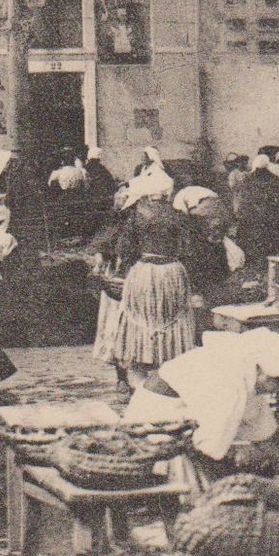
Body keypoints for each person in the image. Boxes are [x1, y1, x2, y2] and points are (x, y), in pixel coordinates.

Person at [121, 327, 279, 485]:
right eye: (274, 383)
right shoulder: (230, 382)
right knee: (211, 474)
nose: (273, 391)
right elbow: (210, 445)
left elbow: (258, 423)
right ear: (261, 371)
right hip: (157, 418)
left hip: (181, 411)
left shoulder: (245, 369)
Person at [94, 165, 197, 391]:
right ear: (167, 193)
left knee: (141, 318)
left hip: (144, 271)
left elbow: (125, 249)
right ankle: (170, 369)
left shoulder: (136, 215)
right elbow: (188, 249)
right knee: (172, 317)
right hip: (172, 270)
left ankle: (139, 375)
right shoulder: (178, 215)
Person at [233, 154, 279, 271]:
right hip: (271, 219)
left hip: (252, 219)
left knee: (253, 244)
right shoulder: (275, 179)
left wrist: (240, 215)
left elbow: (241, 201)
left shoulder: (247, 180)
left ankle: (254, 265)